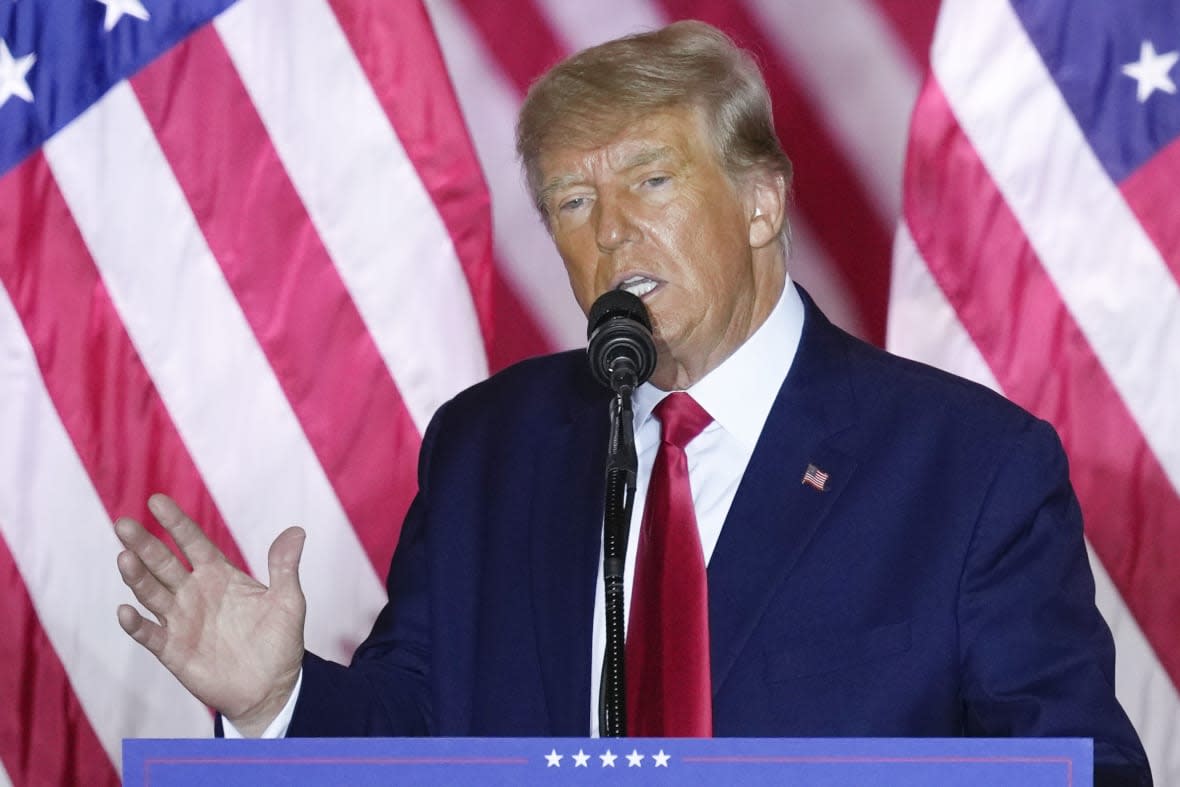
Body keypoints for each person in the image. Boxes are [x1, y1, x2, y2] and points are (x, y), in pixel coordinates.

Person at [113, 20, 1151, 784]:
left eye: (649, 182)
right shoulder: (488, 449)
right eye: (572, 202)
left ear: (760, 201)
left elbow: (1083, 766)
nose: (610, 232)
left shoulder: (969, 468)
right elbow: (415, 731)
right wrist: (275, 697)